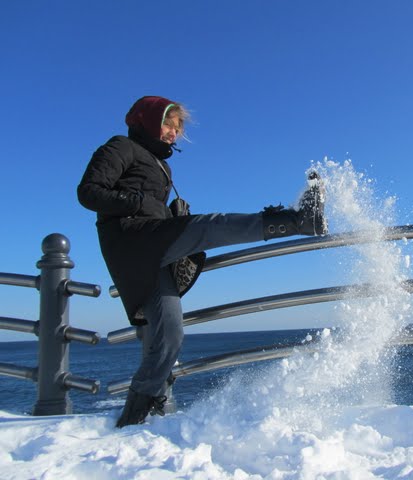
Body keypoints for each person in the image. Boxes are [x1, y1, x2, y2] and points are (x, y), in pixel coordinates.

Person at [77, 96, 327, 428]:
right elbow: (88, 192)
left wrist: (167, 212)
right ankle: (297, 222)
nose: (173, 133)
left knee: (170, 334)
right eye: (168, 124)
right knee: (210, 226)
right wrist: (136, 203)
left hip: (151, 247)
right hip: (133, 238)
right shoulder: (121, 146)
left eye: (177, 128)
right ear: (147, 120)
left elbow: (148, 203)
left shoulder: (161, 164)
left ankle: (133, 420)